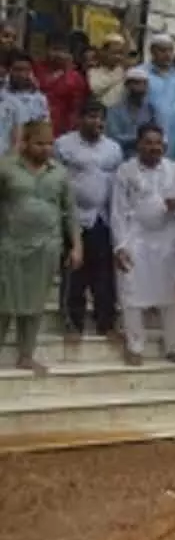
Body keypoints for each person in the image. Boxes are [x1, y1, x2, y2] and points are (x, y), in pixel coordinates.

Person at [0, 120, 81, 372]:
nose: (46, 149)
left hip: (47, 247)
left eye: (49, 144)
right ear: (24, 143)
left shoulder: (59, 172)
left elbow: (70, 211)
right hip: (10, 246)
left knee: (35, 305)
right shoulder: (6, 168)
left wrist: (77, 246)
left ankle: (26, 355)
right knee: (4, 302)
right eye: (39, 143)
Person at [112, 124, 175, 366]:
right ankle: (135, 346)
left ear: (165, 146)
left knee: (171, 294)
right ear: (138, 145)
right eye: (149, 142)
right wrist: (120, 245)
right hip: (136, 238)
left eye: (158, 143)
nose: (154, 147)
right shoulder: (126, 171)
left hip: (168, 240)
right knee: (132, 292)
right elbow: (118, 210)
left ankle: (174, 347)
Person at [54, 101, 123, 341]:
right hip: (74, 219)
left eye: (101, 118)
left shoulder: (113, 149)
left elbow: (115, 185)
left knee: (104, 275)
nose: (98, 123)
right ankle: (72, 323)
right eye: (92, 117)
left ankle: (106, 323)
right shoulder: (63, 145)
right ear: (79, 118)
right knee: (75, 273)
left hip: (102, 218)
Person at [36, 36, 89, 137]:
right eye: (55, 49)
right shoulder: (35, 69)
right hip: (34, 124)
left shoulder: (76, 78)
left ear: (69, 54)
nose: (59, 55)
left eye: (63, 51)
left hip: (62, 129)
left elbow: (76, 109)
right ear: (46, 49)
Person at [0, 52, 51, 156]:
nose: (22, 74)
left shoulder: (40, 99)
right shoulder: (2, 96)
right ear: (8, 71)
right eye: (17, 69)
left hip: (27, 156)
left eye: (26, 70)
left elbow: (43, 129)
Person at [105, 67, 157, 158]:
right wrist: (139, 139)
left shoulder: (150, 109)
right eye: (137, 83)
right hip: (120, 157)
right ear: (127, 85)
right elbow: (113, 138)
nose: (141, 87)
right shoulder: (114, 110)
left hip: (145, 159)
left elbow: (155, 134)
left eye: (144, 83)